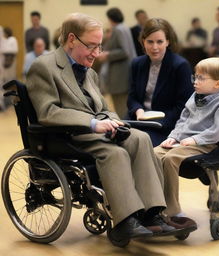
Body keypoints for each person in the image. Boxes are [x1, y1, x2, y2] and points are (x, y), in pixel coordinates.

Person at [26, 12, 188, 242]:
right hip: (65, 135)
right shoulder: (43, 67)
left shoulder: (89, 73)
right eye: (91, 46)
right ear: (71, 39)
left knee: (140, 138)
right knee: (114, 153)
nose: (96, 53)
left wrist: (112, 120)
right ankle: (125, 221)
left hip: (92, 132)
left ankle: (152, 213)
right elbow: (48, 112)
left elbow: (103, 107)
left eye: (100, 46)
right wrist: (93, 123)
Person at [154, 57, 219, 222]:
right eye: (195, 77)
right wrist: (172, 137)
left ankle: (173, 209)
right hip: (183, 141)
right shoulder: (196, 95)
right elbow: (183, 120)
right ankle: (154, 203)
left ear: (217, 84)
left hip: (206, 144)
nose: (195, 81)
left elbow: (217, 131)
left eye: (201, 78)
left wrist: (195, 139)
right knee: (153, 153)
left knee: (171, 158)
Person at [127, 18, 194, 147]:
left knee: (139, 145)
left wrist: (157, 121)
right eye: (150, 42)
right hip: (139, 121)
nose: (154, 47)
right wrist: (138, 109)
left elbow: (184, 107)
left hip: (166, 126)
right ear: (143, 41)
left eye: (159, 42)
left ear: (167, 42)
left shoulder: (180, 66)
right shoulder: (137, 64)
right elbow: (132, 97)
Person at [97, 7, 137, 119]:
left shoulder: (118, 29)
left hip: (120, 73)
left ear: (110, 18)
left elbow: (124, 51)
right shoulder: (124, 28)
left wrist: (107, 55)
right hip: (125, 70)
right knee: (123, 104)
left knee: (121, 106)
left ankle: (125, 127)